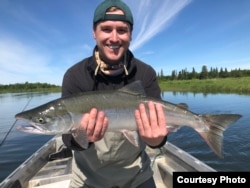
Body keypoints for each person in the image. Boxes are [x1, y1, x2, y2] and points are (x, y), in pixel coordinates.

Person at [61, 0, 168, 187]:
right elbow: (67, 139)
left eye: (122, 30)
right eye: (106, 29)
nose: (114, 38)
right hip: (88, 179)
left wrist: (156, 140)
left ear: (131, 35)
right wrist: (85, 137)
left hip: (138, 176)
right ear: (94, 33)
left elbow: (157, 139)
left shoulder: (145, 73)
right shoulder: (75, 75)